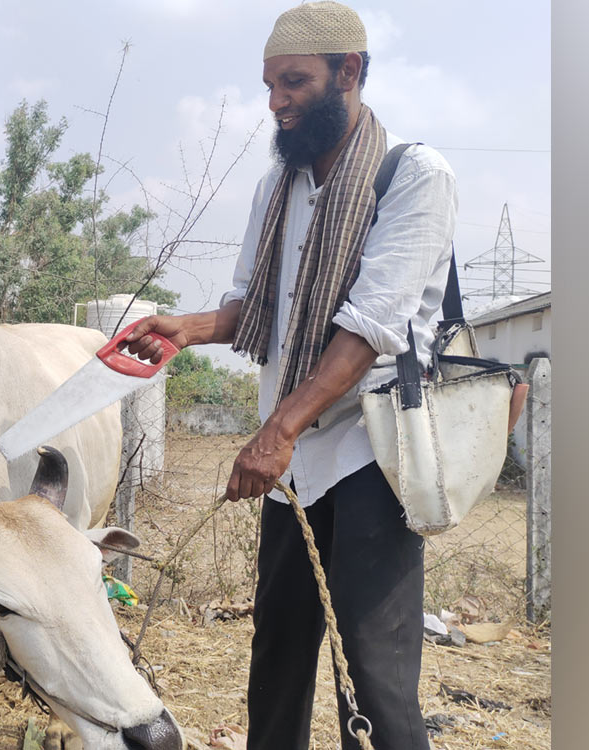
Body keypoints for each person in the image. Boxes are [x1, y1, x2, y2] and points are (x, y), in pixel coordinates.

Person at [125, 3, 454, 749]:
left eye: (294, 82)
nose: (276, 102)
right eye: (270, 85)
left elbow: (368, 329)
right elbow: (258, 308)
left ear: (351, 72)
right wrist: (193, 327)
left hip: (373, 454)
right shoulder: (279, 186)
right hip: (298, 460)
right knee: (276, 651)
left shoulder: (413, 177)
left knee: (368, 670)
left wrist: (274, 430)